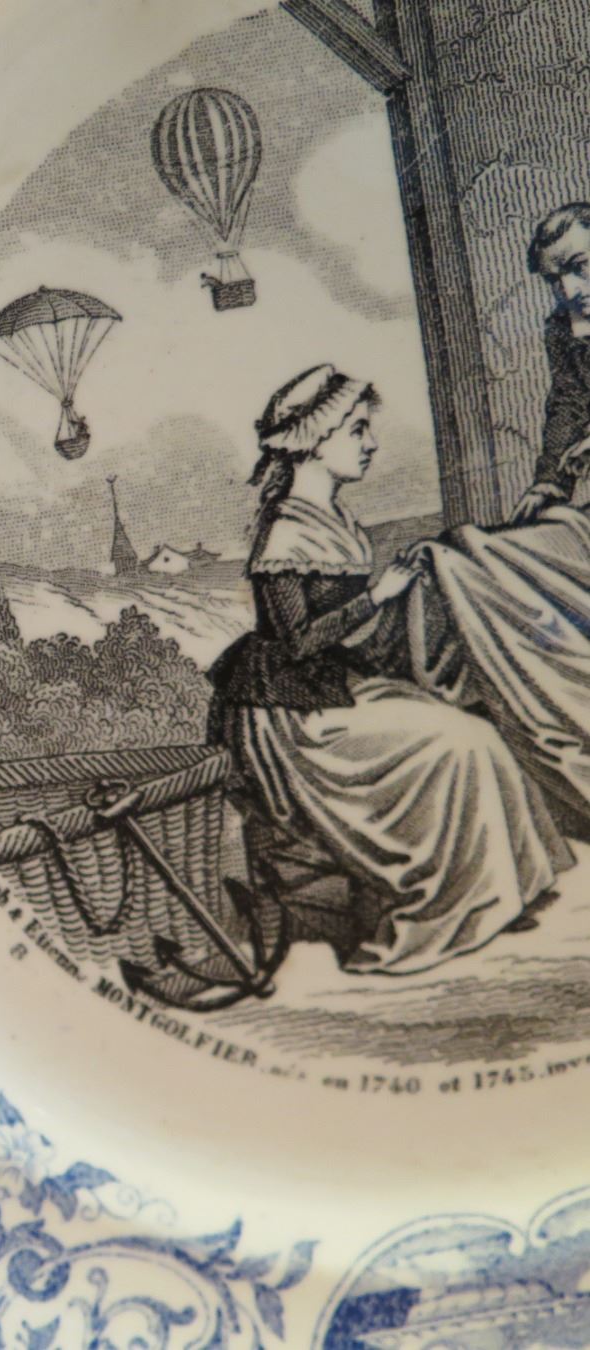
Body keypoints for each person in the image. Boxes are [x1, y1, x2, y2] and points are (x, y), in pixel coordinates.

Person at [210, 365, 567, 975]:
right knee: (455, 746)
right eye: (356, 430)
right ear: (313, 442)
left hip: (334, 689)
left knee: (479, 733)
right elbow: (296, 642)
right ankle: (451, 903)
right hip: (288, 713)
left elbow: (356, 636)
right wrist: (378, 595)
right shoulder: (287, 529)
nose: (371, 442)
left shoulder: (338, 520)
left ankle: (497, 892)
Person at [510, 202, 590, 524]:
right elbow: (569, 402)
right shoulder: (564, 328)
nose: (568, 290)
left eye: (579, 266)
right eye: (554, 280)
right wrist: (550, 481)